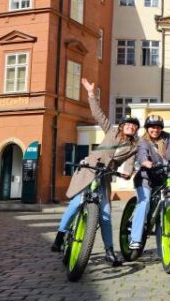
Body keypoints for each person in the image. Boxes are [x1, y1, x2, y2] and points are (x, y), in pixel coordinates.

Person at [51, 79, 138, 267]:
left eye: (134, 126)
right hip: (90, 169)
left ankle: (109, 252)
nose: (131, 127)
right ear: (122, 126)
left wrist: (127, 174)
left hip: (104, 177)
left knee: (105, 215)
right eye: (128, 124)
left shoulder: (133, 147)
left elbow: (129, 163)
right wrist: (91, 94)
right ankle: (60, 236)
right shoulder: (111, 131)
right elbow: (98, 114)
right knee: (75, 204)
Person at [129, 102, 170, 250]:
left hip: (163, 178)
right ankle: (134, 238)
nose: (155, 130)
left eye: (158, 127)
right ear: (147, 128)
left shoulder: (167, 138)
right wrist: (145, 162)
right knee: (144, 202)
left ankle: (163, 250)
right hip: (146, 178)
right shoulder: (143, 142)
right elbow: (141, 155)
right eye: (152, 127)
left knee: (163, 208)